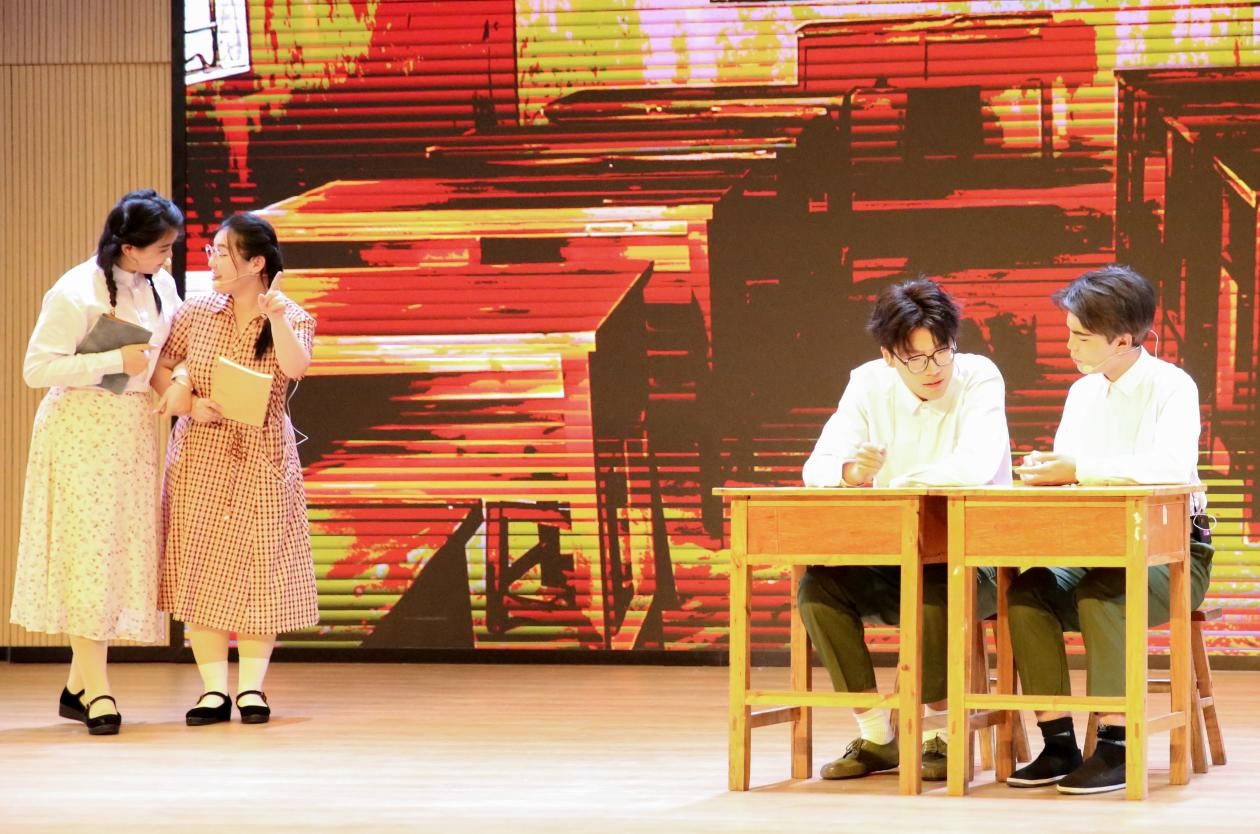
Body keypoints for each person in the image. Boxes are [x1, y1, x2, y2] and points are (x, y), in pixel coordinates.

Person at [1005, 264, 1213, 795]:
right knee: (1028, 592)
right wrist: (1047, 473)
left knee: (1102, 595)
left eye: (1081, 336)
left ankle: (1117, 744)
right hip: (1094, 546)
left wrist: (1078, 468)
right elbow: (1071, 471)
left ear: (1123, 340)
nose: (1069, 345)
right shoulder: (1082, 392)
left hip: (1173, 553)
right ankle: (1057, 742)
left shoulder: (1172, 386)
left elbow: (1170, 468)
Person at [799, 276, 1012, 781]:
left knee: (934, 592)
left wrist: (897, 486)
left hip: (973, 558)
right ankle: (877, 735)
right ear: (889, 356)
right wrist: (851, 472)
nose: (933, 369)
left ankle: (939, 734)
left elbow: (975, 465)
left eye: (941, 352)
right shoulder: (867, 382)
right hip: (894, 555)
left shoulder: (979, 377)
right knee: (818, 590)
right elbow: (817, 467)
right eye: (915, 358)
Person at [11, 189, 185, 735]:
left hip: (130, 429)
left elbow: (165, 352)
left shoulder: (160, 284)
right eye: (162, 248)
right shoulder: (75, 289)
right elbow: (36, 369)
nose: (169, 257)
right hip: (81, 428)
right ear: (129, 247)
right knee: (88, 553)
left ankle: (76, 685)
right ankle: (100, 692)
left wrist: (173, 381)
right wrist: (112, 359)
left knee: (114, 555)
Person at [153, 211, 318, 726]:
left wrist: (275, 317)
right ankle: (212, 691)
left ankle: (250, 689)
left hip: (263, 452)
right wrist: (184, 397)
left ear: (256, 263)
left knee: (260, 566)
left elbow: (295, 367)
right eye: (211, 251)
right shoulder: (196, 311)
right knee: (201, 564)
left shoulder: (292, 315)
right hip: (201, 450)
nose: (212, 261)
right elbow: (162, 365)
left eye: (222, 252)